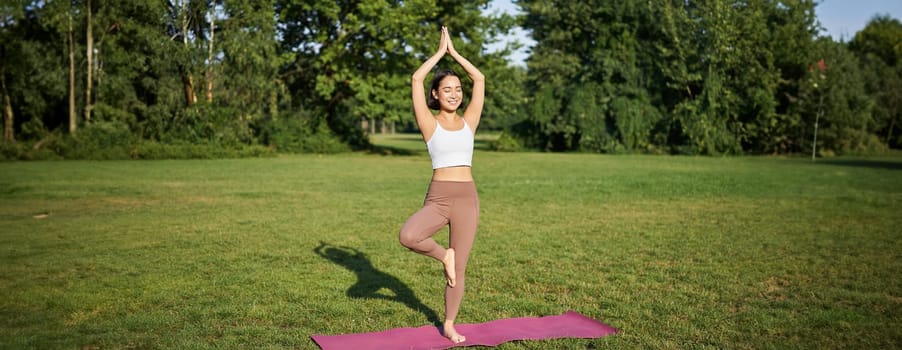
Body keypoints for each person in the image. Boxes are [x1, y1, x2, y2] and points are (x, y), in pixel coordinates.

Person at [398, 26, 485, 344]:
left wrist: (456, 54)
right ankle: (442, 255)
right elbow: (416, 79)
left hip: (466, 198)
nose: (454, 93)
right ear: (435, 95)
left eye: (457, 89)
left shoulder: (469, 121)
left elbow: (480, 80)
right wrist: (438, 53)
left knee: (459, 268)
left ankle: (449, 323)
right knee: (408, 235)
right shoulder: (429, 122)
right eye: (447, 89)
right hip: (438, 197)